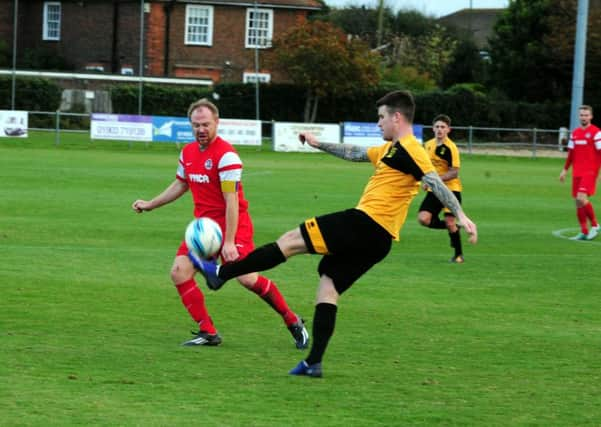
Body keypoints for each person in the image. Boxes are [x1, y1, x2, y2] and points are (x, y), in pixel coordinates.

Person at [189, 90, 478, 377]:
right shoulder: (390, 149)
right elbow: (355, 153)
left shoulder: (412, 150)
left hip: (365, 223)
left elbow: (435, 182)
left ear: (397, 117)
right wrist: (318, 144)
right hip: (381, 240)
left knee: (290, 241)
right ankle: (313, 362)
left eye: (381, 118)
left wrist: (461, 215)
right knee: (328, 286)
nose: (378, 124)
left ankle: (221, 275)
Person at [132, 98, 309, 348]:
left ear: (216, 123)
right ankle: (208, 332)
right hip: (204, 229)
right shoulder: (188, 152)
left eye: (205, 124)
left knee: (247, 279)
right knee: (179, 272)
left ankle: (292, 320)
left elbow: (231, 200)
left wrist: (228, 242)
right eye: (195, 125)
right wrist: (151, 204)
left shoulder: (226, 156)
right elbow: (181, 184)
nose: (200, 130)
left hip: (232, 225)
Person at [417, 114, 464, 263]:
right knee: (423, 219)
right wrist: (425, 180)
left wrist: (435, 180)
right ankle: (454, 228)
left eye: (443, 127)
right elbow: (425, 167)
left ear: (448, 130)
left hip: (451, 190)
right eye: (437, 126)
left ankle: (458, 255)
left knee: (450, 222)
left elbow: (454, 172)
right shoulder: (427, 145)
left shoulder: (451, 148)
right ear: (433, 128)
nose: (439, 129)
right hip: (435, 190)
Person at [559, 105, 601, 240]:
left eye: (586, 115)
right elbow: (571, 154)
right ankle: (583, 231)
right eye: (582, 115)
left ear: (591, 116)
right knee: (578, 202)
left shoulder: (596, 132)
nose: (583, 117)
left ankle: (595, 225)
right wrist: (565, 170)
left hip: (590, 171)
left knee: (581, 197)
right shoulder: (575, 133)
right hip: (577, 171)